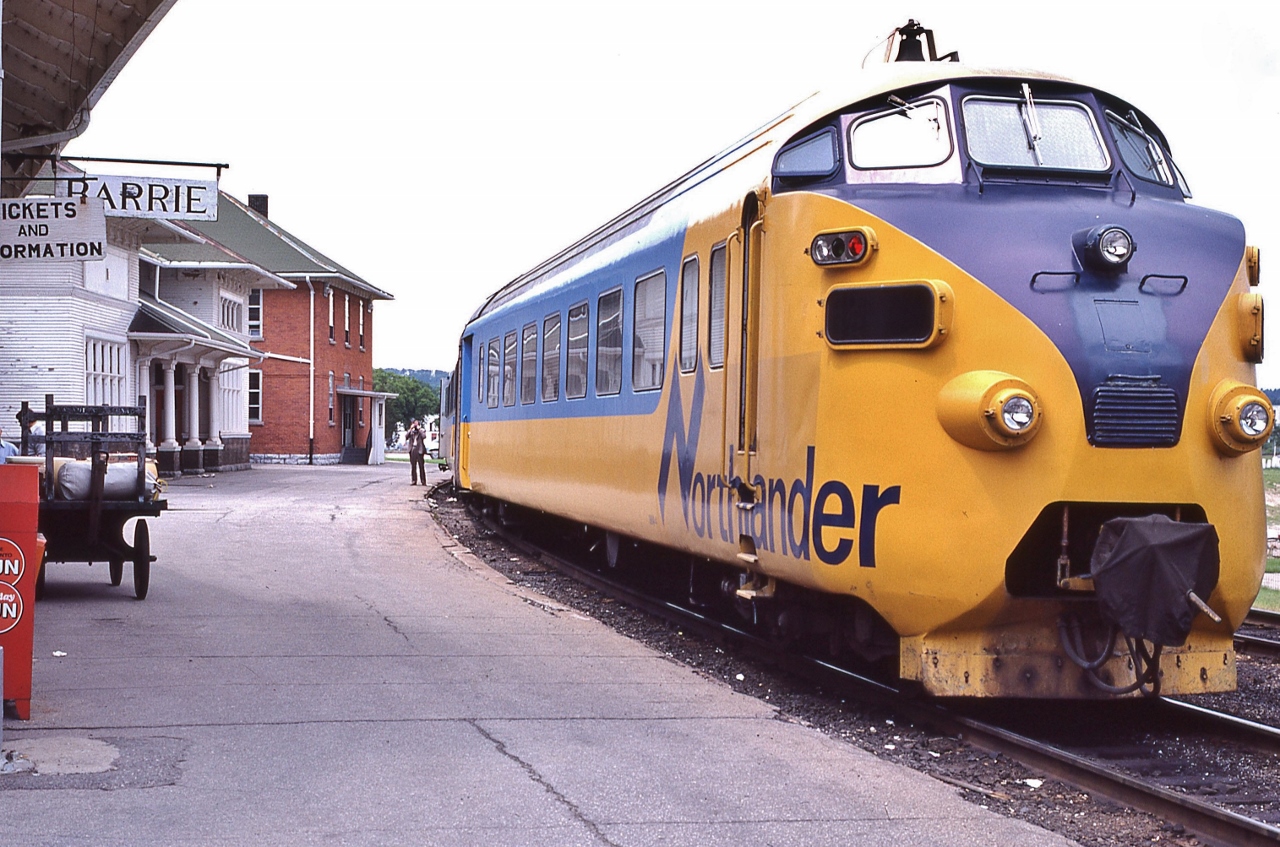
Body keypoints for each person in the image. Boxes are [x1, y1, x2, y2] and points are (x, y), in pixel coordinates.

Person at [406, 419, 427, 486]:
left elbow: (424, 436)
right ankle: (414, 480)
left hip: (419, 450)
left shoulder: (422, 430)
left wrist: (419, 429)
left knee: (421, 466)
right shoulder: (411, 431)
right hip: (412, 449)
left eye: (416, 424)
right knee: (413, 466)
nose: (415, 425)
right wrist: (410, 429)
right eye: (414, 424)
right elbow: (406, 437)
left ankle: (423, 481)